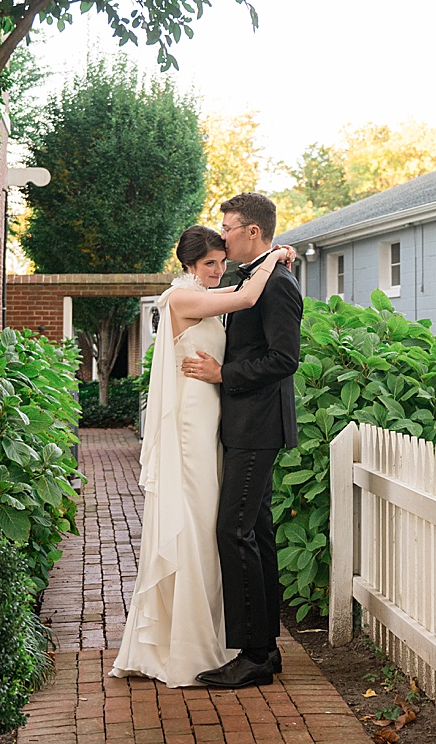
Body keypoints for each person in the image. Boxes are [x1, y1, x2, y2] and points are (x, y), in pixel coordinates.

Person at [108, 224, 293, 687]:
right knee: (197, 523)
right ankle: (189, 641)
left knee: (222, 526)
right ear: (190, 264)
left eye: (221, 261)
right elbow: (248, 297)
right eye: (210, 263)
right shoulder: (181, 299)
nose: (218, 269)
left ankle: (229, 637)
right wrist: (274, 256)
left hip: (216, 423)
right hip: (191, 426)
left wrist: (268, 258)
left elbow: (241, 294)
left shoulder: (211, 292)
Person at [181, 192, 303, 689]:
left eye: (228, 226)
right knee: (258, 533)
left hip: (258, 427)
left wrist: (221, 373)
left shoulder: (278, 285)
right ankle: (266, 651)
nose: (222, 233)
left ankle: (252, 654)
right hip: (244, 425)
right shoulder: (254, 276)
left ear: (252, 231)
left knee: (233, 531)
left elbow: (284, 359)